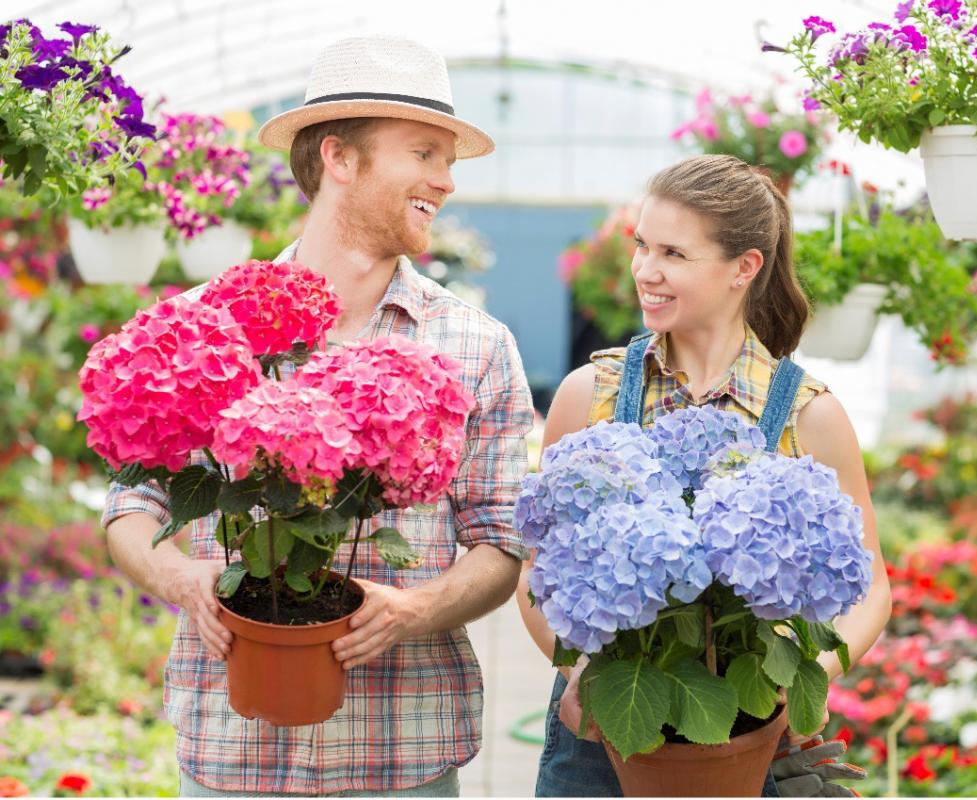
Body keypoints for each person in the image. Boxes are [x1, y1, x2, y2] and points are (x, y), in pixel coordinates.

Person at [102, 36, 534, 797]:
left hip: (402, 749)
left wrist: (415, 607)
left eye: (449, 162)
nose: (445, 180)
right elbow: (132, 505)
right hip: (234, 749)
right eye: (425, 154)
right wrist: (181, 578)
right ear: (339, 158)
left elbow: (500, 542)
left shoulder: (477, 346)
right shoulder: (199, 327)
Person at [517, 154, 891, 796]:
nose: (644, 270)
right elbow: (537, 570)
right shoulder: (591, 393)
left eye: (673, 254)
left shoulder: (809, 414)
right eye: (641, 245)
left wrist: (809, 677)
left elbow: (872, 585)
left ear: (744, 268)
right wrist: (581, 670)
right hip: (601, 739)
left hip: (750, 734)